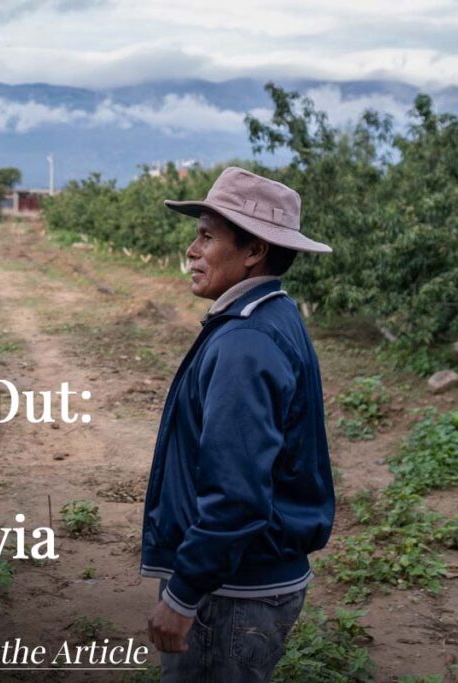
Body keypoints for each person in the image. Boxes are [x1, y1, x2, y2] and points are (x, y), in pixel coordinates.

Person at [140, 167, 337, 682]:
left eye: (207, 235)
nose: (192, 249)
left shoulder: (245, 343)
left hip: (230, 594)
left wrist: (183, 594)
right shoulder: (271, 317)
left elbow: (236, 495)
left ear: (254, 252)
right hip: (247, 579)